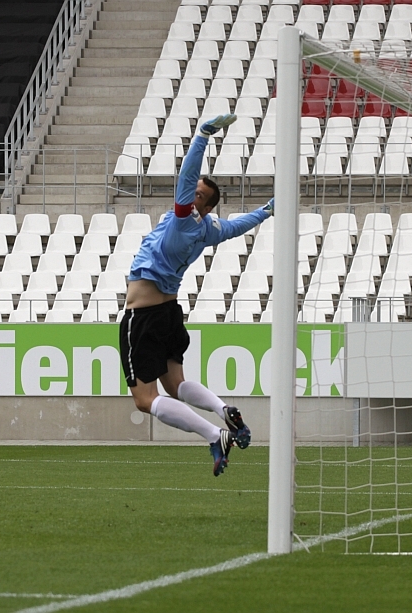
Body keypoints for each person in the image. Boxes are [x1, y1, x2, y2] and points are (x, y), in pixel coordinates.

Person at [120, 114, 274, 476]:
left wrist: (203, 135)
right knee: (176, 385)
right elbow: (236, 226)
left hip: (144, 317)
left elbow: (187, 176)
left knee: (145, 399)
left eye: (199, 195)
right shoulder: (208, 229)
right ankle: (224, 410)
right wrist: (266, 211)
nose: (192, 195)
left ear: (204, 207)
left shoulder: (183, 220)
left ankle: (215, 435)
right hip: (170, 314)